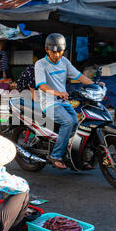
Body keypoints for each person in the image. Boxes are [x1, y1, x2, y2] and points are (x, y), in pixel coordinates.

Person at [35, 33, 104, 170]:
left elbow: (79, 76)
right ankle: (56, 155)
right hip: (49, 102)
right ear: (46, 50)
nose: (56, 55)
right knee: (68, 122)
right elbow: (42, 85)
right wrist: (57, 93)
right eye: (53, 52)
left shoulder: (65, 62)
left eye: (59, 51)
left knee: (77, 122)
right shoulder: (41, 64)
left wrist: (94, 85)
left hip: (63, 101)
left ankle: (71, 151)